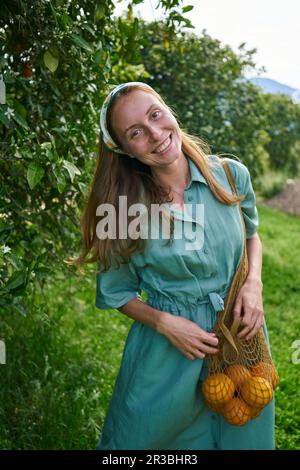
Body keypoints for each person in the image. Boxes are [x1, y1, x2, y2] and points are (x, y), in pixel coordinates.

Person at [74, 81, 275, 450]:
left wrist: (254, 283)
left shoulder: (230, 176)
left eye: (155, 115)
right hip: (170, 350)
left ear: (168, 110)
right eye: (135, 132)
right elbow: (117, 292)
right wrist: (166, 322)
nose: (154, 134)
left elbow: (252, 234)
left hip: (240, 340)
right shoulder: (121, 211)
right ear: (124, 149)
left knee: (243, 432)